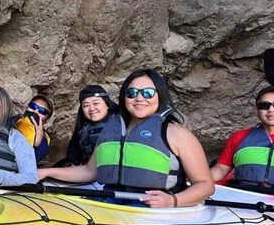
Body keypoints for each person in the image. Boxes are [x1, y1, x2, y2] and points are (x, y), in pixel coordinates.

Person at [38, 68, 215, 208]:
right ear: (124, 97)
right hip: (112, 201)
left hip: (155, 207)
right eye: (132, 93)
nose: (139, 98)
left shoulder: (177, 134)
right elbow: (89, 172)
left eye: (147, 93)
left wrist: (173, 201)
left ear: (159, 96)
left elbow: (205, 185)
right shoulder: (110, 130)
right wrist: (46, 172)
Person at [209, 85, 274, 190]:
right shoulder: (239, 137)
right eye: (264, 105)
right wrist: (196, 179)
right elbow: (221, 169)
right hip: (244, 196)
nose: (271, 110)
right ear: (257, 109)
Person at [62, 85, 119, 165]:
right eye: (86, 105)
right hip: (87, 172)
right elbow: (73, 156)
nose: (91, 108)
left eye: (96, 103)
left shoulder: (121, 123)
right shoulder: (82, 128)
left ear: (107, 104)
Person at [15, 94, 54, 162]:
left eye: (42, 110)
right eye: (33, 106)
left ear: (47, 120)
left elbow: (29, 165)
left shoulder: (43, 142)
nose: (35, 111)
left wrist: (36, 145)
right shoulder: (12, 121)